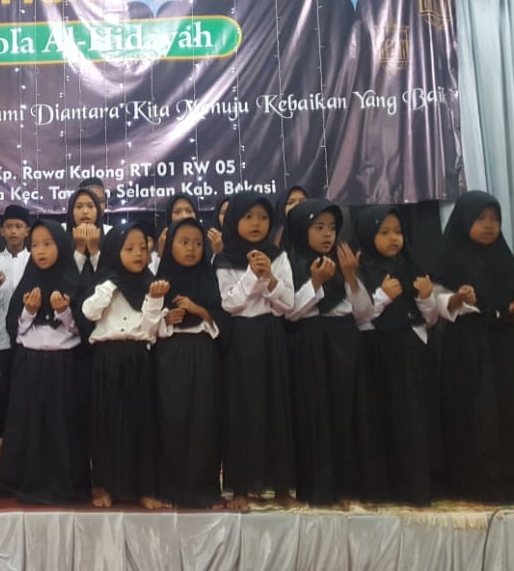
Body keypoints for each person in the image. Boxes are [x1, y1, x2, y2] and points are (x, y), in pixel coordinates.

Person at [433, 192, 514, 503]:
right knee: (476, 412)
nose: (489, 225)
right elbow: (435, 304)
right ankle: (477, 480)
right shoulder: (448, 258)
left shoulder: (504, 260)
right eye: (481, 218)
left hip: (506, 344)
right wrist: (458, 299)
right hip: (467, 344)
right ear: (463, 221)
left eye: (495, 219)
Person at [283, 200, 373, 506]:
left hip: (345, 341)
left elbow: (364, 313)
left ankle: (348, 489)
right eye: (318, 227)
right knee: (316, 417)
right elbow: (290, 312)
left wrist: (350, 277)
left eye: (332, 228)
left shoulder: (343, 262)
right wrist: (315, 282)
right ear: (301, 229)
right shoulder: (289, 263)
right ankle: (318, 490)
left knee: (347, 414)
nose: (328, 235)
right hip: (310, 343)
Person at [0, 219, 91, 504]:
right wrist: (29, 310)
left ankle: (65, 486)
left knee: (62, 427)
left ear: (61, 246)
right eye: (35, 245)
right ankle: (25, 484)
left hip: (65, 365)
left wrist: (64, 312)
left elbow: (84, 330)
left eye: (48, 244)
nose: (40, 251)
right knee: (28, 425)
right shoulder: (28, 281)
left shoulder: (74, 282)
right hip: (30, 363)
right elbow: (15, 331)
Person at [214, 192, 298, 509]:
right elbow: (230, 303)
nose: (256, 223)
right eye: (248, 217)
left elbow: (288, 304)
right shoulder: (223, 259)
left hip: (271, 334)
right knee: (241, 411)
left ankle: (281, 488)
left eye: (263, 217)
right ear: (235, 220)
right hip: (240, 339)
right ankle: (239, 488)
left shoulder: (278, 256)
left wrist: (271, 278)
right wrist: (252, 275)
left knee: (277, 407)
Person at [353, 206, 439, 506]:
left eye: (398, 232)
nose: (394, 238)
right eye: (385, 232)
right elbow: (360, 318)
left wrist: (427, 297)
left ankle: (420, 487)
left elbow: (429, 319)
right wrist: (383, 296)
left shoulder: (411, 265)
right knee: (388, 420)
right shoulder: (361, 268)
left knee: (417, 419)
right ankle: (390, 488)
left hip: (414, 350)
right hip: (379, 353)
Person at [81, 223, 168, 509]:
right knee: (108, 423)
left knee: (141, 424)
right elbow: (89, 312)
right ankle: (106, 486)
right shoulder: (105, 283)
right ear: (113, 252)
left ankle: (143, 488)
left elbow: (151, 329)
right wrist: (110, 284)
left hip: (139, 358)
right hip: (107, 358)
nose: (138, 254)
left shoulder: (151, 284)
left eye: (143, 247)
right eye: (129, 248)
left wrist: (155, 300)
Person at [153, 218, 224, 508]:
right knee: (171, 420)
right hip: (169, 355)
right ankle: (170, 489)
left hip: (203, 354)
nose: (192, 249)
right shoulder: (160, 280)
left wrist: (199, 310)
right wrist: (166, 319)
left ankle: (203, 490)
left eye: (197, 243)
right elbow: (146, 322)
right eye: (184, 242)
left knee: (203, 421)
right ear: (171, 246)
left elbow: (223, 318)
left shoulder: (210, 277)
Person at [0, 204, 31, 435]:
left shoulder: (34, 260)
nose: (13, 231)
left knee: (24, 388)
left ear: (27, 231)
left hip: (27, 337)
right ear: (2, 231)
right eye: (9, 226)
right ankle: (1, 435)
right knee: (0, 389)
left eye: (18, 226)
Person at [66, 187, 105, 279]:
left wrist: (94, 251)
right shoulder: (61, 241)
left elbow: (108, 279)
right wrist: (79, 249)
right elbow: (66, 281)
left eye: (90, 206)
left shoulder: (110, 240)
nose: (85, 212)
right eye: (79, 207)